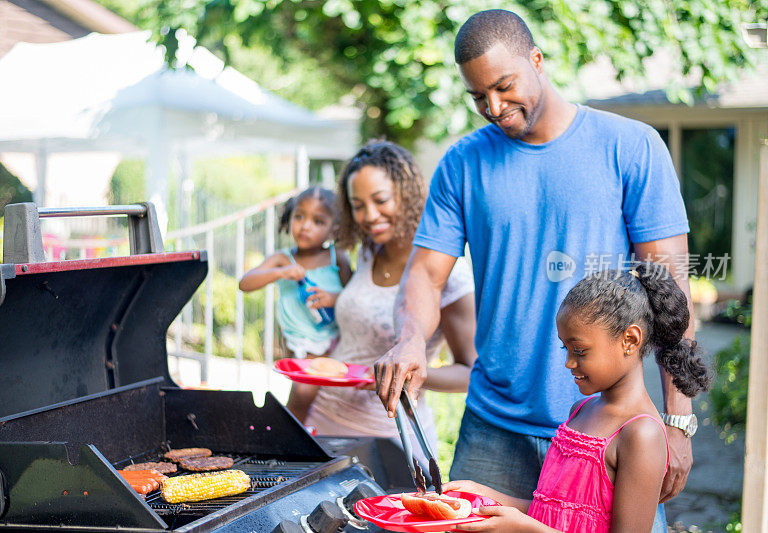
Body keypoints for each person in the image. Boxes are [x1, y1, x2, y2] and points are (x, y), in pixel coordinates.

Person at [373, 10, 697, 530]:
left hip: (611, 428)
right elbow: (426, 275)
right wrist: (411, 339)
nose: (494, 108)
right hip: (493, 429)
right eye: (479, 98)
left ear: (537, 61)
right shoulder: (462, 164)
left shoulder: (631, 147)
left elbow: (670, 291)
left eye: (504, 87)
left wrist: (678, 422)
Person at [445, 263, 711, 532]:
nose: (569, 363)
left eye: (580, 351)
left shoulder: (641, 433)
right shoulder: (580, 410)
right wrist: (479, 494)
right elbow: (550, 511)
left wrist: (525, 529)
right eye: (566, 349)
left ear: (629, 340)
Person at [302, 140, 478, 461]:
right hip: (324, 420)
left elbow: (471, 372)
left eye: (381, 200)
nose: (369, 216)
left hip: (390, 438)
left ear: (407, 196)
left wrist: (402, 374)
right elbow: (366, 315)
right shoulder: (369, 250)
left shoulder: (448, 271)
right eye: (358, 205)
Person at [238, 186, 351, 420]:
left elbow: (354, 296)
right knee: (301, 394)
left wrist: (334, 297)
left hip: (334, 342)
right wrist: (281, 273)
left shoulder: (337, 258)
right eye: (299, 217)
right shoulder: (282, 259)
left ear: (333, 230)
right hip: (300, 345)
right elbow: (245, 283)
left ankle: (292, 435)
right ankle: (292, 435)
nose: (305, 225)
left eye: (318, 221)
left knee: (308, 398)